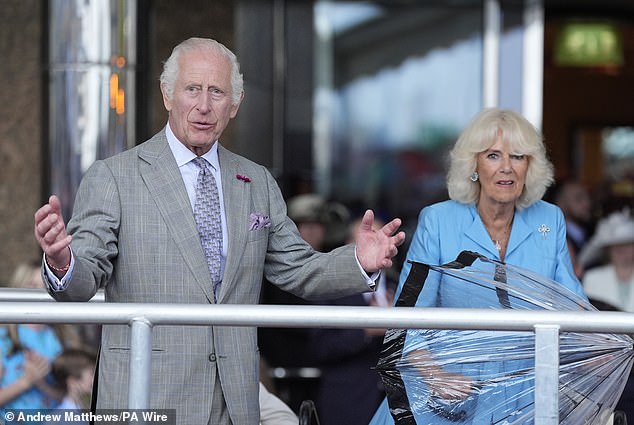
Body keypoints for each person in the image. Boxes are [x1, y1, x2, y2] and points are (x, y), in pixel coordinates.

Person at [33, 37, 405, 425]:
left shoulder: (256, 181)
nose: (204, 105)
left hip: (236, 398)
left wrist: (359, 261)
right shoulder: (115, 176)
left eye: (217, 92)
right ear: (167, 94)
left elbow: (298, 270)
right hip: (147, 396)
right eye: (193, 89)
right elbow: (81, 279)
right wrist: (62, 261)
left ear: (236, 104)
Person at [369, 107, 588, 424]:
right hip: (450, 387)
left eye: (518, 157)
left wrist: (606, 341)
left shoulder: (549, 219)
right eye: (493, 156)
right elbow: (407, 320)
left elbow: (573, 306)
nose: (507, 168)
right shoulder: (439, 221)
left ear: (530, 168)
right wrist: (436, 377)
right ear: (474, 165)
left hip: (526, 386)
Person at [308, 215, 396, 425]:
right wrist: (366, 330)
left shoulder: (402, 284)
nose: (376, 247)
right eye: (368, 240)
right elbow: (320, 347)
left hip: (395, 404)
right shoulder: (330, 289)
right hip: (348, 403)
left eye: (382, 240)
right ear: (349, 245)